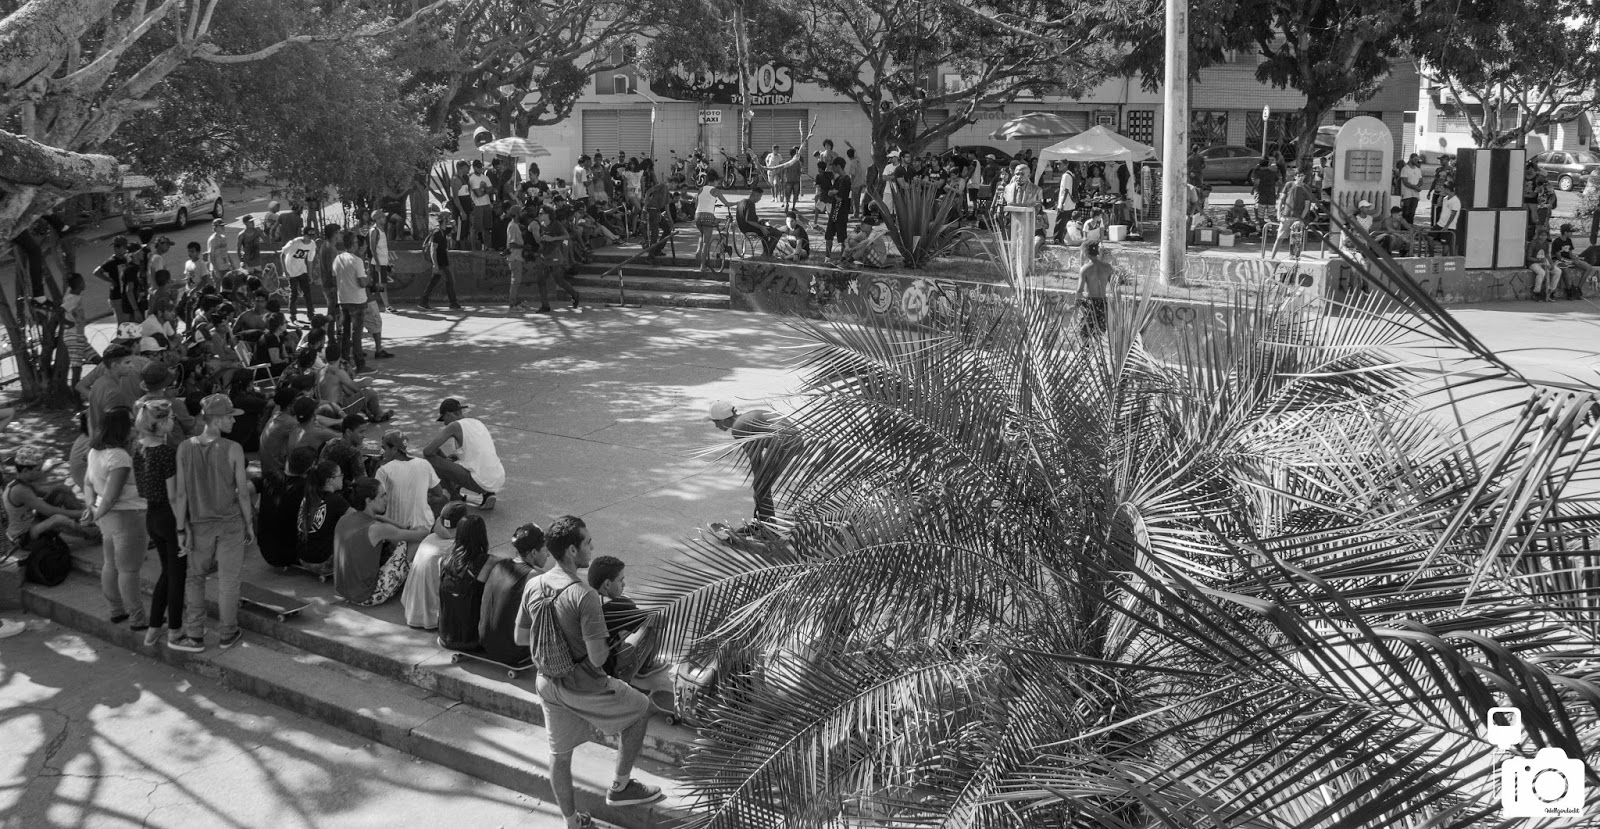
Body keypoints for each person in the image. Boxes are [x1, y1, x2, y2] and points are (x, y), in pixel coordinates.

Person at [514, 516, 664, 825]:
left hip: (547, 682)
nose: (591, 547)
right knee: (641, 708)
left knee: (559, 756)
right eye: (587, 542)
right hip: (583, 685)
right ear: (572, 550)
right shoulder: (584, 595)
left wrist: (555, 643)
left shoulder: (534, 584)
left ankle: (572, 821)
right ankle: (621, 787)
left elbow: (519, 636)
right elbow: (597, 659)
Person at [172, 393, 253, 652]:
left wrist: (181, 528)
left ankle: (195, 634)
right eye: (230, 416)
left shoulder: (184, 447)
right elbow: (243, 492)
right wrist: (249, 523)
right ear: (217, 419)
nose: (233, 421)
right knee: (229, 581)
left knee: (195, 578)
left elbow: (180, 494)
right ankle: (227, 632)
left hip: (198, 524)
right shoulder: (233, 448)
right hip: (230, 523)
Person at [131, 399, 182, 646]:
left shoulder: (138, 447)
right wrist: (182, 526)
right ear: (160, 423)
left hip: (151, 515)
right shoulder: (165, 453)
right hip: (168, 516)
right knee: (177, 575)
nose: (173, 421)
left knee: (167, 572)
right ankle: (175, 629)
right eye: (170, 418)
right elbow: (174, 495)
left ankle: (154, 627)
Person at [334, 477, 430, 606]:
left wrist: (401, 526)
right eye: (382, 495)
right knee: (412, 542)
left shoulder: (344, 519)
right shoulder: (378, 529)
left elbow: (376, 517)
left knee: (399, 541)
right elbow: (420, 536)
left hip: (344, 591)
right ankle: (414, 589)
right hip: (367, 596)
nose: (387, 499)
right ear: (369, 500)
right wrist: (422, 528)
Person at [707, 401, 803, 522]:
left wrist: (758, 486)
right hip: (796, 441)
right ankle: (764, 522)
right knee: (761, 485)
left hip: (784, 443)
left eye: (716, 422)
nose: (716, 427)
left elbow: (755, 459)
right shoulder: (745, 419)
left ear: (723, 420)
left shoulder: (738, 428)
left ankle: (768, 527)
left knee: (761, 486)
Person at [478, 523, 546, 665]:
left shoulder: (500, 565)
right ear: (534, 552)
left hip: (486, 644)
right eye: (546, 550)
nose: (549, 555)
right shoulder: (534, 576)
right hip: (512, 652)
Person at [4, 446, 91, 556]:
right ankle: (94, 532)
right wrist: (81, 512)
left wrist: (65, 491)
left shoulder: (23, 482)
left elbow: (48, 492)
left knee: (61, 489)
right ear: (25, 470)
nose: (41, 473)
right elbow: (50, 511)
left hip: (33, 523)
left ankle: (88, 520)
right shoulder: (19, 490)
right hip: (24, 537)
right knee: (58, 519)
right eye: (38, 470)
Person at [588, 555, 660, 683]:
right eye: (620, 580)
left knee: (626, 628)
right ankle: (644, 669)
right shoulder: (614, 606)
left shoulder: (584, 598)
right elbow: (658, 620)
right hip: (611, 674)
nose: (624, 584)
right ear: (607, 584)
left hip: (586, 671)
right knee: (653, 627)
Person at [423, 398, 505, 511]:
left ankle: (453, 497)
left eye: (444, 419)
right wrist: (448, 460)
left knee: (430, 457)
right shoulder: (477, 422)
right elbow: (475, 451)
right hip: (497, 476)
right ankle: (486, 493)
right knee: (450, 461)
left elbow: (427, 451)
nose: (445, 423)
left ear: (448, 414)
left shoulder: (454, 426)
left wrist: (443, 464)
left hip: (480, 480)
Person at [402, 501, 467, 630]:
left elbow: (439, 525)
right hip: (431, 614)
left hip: (411, 607)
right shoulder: (454, 548)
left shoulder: (431, 537)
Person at [438, 513, 491, 651]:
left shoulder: (444, 560)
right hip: (471, 641)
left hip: (444, 636)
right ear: (482, 535)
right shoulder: (488, 562)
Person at [374, 429, 442, 532]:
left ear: (395, 449)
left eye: (384, 448)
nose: (382, 452)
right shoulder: (424, 464)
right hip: (426, 526)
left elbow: (375, 503)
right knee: (444, 495)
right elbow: (439, 492)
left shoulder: (383, 471)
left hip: (397, 531)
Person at [297, 459, 347, 574]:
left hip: (302, 558)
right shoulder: (336, 500)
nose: (342, 478)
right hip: (322, 563)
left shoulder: (308, 496)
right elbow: (360, 518)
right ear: (330, 480)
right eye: (340, 475)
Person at [332, 231, 369, 372]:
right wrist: (368, 278)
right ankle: (360, 364)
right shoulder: (357, 260)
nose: (358, 245)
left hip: (343, 300)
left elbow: (334, 276)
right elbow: (362, 283)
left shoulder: (338, 258)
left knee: (345, 334)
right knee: (356, 334)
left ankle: (345, 362)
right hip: (357, 301)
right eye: (356, 242)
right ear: (353, 244)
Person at [691, 169, 735, 273]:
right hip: (708, 217)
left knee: (702, 235)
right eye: (717, 181)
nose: (717, 183)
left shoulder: (700, 189)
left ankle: (698, 251)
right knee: (706, 242)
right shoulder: (716, 191)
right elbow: (727, 203)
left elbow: (696, 204)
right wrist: (738, 203)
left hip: (697, 216)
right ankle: (702, 266)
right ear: (714, 181)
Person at [1269, 171, 1316, 259]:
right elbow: (1281, 200)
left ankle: (1294, 257)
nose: (1300, 178)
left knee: (1296, 240)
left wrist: (1301, 219)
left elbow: (1306, 207)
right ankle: (1272, 257)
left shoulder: (1307, 188)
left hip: (1297, 218)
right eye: (1298, 176)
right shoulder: (1289, 185)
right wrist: (1279, 214)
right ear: (1295, 177)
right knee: (1279, 238)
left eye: (1302, 176)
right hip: (1286, 216)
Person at [419, 214, 462, 310]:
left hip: (443, 261)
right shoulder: (437, 233)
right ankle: (453, 302)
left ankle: (424, 301)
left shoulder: (443, 231)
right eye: (447, 218)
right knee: (449, 281)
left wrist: (454, 224)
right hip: (440, 263)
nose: (449, 219)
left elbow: (454, 231)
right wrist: (435, 265)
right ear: (444, 220)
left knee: (436, 282)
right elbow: (433, 249)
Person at [281, 223, 318, 321]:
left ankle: (310, 314)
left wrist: (310, 274)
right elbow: (282, 255)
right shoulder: (294, 243)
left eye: (311, 237)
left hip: (302, 270)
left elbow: (310, 260)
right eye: (308, 236)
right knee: (294, 293)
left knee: (307, 293)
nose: (310, 239)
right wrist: (285, 271)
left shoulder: (312, 244)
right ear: (304, 235)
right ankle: (293, 314)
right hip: (291, 270)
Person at [1075, 241, 1113, 337]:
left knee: (1084, 332)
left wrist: (1077, 305)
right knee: (1100, 334)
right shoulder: (1108, 267)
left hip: (1089, 303)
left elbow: (1079, 290)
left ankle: (1086, 347)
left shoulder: (1085, 269)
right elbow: (1114, 286)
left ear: (1086, 253)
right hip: (1102, 303)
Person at [1552, 223, 1595, 297]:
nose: (1571, 234)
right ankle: (1569, 290)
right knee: (1565, 269)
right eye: (1570, 232)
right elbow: (1559, 257)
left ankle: (1579, 288)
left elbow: (1570, 254)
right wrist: (1571, 261)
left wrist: (1576, 259)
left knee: (1588, 267)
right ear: (1565, 232)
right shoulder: (1556, 242)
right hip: (1559, 261)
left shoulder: (1569, 240)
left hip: (1568, 260)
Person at [736, 187, 781, 257]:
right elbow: (749, 220)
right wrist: (761, 227)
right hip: (749, 228)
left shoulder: (741, 202)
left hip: (743, 228)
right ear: (756, 195)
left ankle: (766, 252)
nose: (760, 199)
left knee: (765, 228)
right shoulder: (750, 204)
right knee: (777, 233)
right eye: (760, 196)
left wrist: (760, 220)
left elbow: (749, 217)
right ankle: (768, 253)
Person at [1399, 154, 1424, 224]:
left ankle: (1410, 227)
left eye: (1417, 160)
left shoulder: (1418, 170)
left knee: (1412, 213)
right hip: (1407, 194)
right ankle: (1404, 228)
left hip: (1415, 195)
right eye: (1415, 159)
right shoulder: (1405, 169)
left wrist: (1417, 186)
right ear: (1411, 159)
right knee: (1405, 213)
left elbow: (1421, 181)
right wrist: (1415, 187)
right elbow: (1405, 182)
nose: (1416, 161)